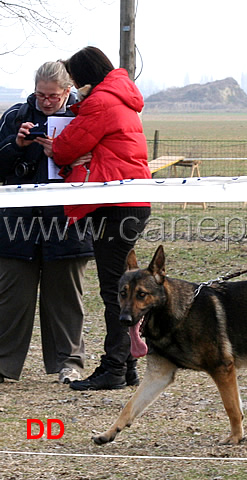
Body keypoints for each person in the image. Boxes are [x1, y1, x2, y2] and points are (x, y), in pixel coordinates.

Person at [39, 47, 151, 391]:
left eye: (74, 80)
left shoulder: (102, 101)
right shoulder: (119, 96)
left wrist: (54, 148)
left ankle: (114, 368)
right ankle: (126, 366)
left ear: (84, 76)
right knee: (121, 287)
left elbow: (64, 148)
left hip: (114, 205)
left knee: (115, 293)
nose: (74, 86)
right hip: (130, 201)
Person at [0, 61, 93, 384]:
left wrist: (67, 152)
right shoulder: (15, 116)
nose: (45, 101)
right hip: (17, 226)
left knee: (66, 300)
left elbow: (99, 163)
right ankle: (4, 365)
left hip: (67, 224)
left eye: (53, 96)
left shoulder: (84, 117)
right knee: (12, 298)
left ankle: (69, 364)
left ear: (67, 91)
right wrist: (18, 145)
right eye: (40, 94)